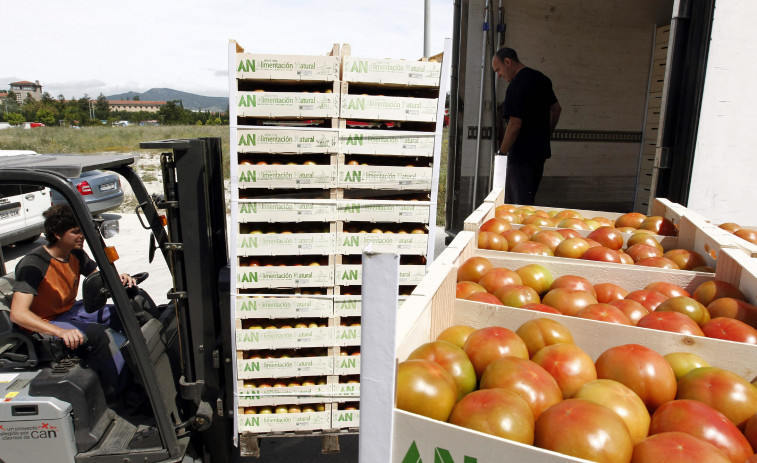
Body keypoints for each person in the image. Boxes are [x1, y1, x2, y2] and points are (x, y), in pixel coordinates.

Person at [10, 204, 136, 397]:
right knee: (100, 335)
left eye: (82, 231)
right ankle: (122, 391)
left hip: (70, 310)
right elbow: (18, 314)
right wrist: (60, 331)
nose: (81, 236)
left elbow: (97, 277)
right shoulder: (33, 264)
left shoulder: (75, 253)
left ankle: (141, 367)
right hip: (45, 322)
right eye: (75, 232)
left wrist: (119, 277)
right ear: (57, 234)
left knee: (123, 312)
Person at [492, 47, 562, 204]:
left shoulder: (515, 86)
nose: (499, 76)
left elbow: (515, 122)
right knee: (528, 198)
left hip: (521, 156)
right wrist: (546, 134)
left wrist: (502, 152)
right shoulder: (542, 79)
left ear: (508, 62)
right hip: (539, 153)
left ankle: (521, 229)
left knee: (519, 204)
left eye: (499, 70)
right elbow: (557, 109)